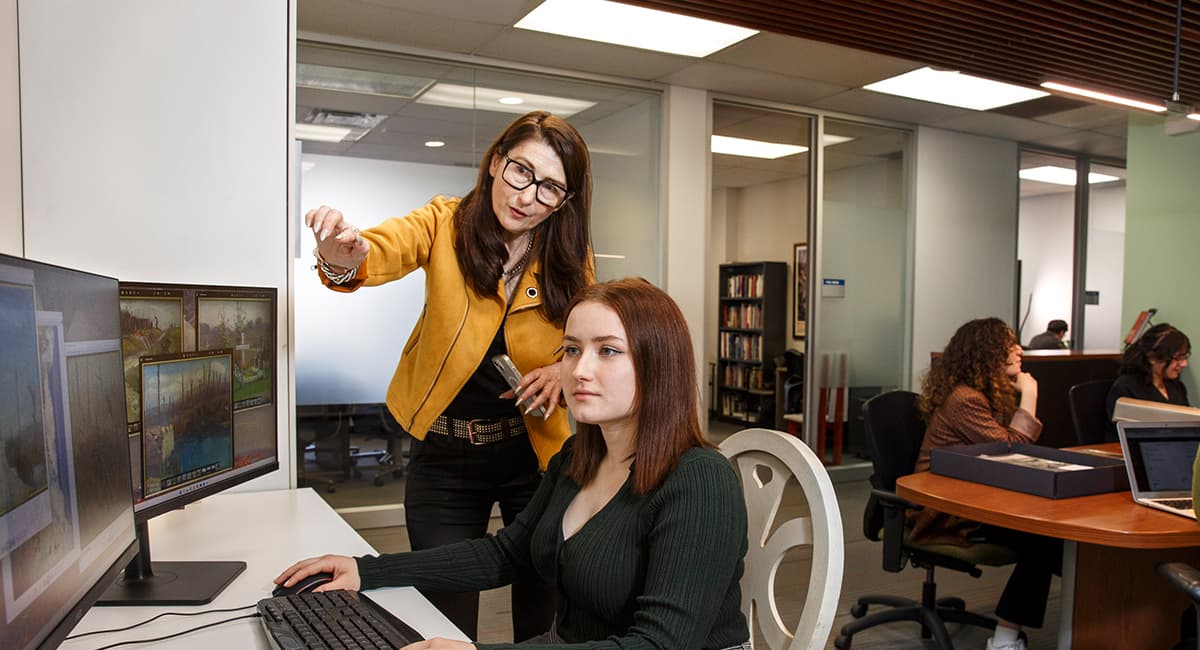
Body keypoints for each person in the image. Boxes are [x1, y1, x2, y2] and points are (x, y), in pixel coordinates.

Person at [276, 278, 751, 649]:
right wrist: (368, 571)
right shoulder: (576, 458)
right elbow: (506, 554)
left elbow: (658, 646)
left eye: (607, 351)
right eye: (571, 350)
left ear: (659, 364)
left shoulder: (700, 481)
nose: (579, 370)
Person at [302, 110, 594, 641]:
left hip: (535, 455)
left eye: (550, 187)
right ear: (496, 163)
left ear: (566, 201)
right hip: (446, 457)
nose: (527, 196)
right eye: (520, 172)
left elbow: (588, 336)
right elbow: (377, 251)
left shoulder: (569, 256)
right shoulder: (444, 223)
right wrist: (339, 255)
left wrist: (561, 367)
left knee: (545, 615)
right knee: (445, 620)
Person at [914, 317, 1060, 650]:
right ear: (987, 353)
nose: (1019, 350)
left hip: (976, 497)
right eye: (1010, 345)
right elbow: (1014, 451)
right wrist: (1031, 394)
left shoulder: (985, 394)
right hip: (944, 509)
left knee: (1059, 543)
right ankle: (1005, 639)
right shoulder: (965, 399)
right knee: (1044, 541)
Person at [1106, 322, 1191, 438]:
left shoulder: (1176, 386)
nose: (1184, 364)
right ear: (1153, 358)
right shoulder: (1126, 388)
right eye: (1178, 358)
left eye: (1185, 357)